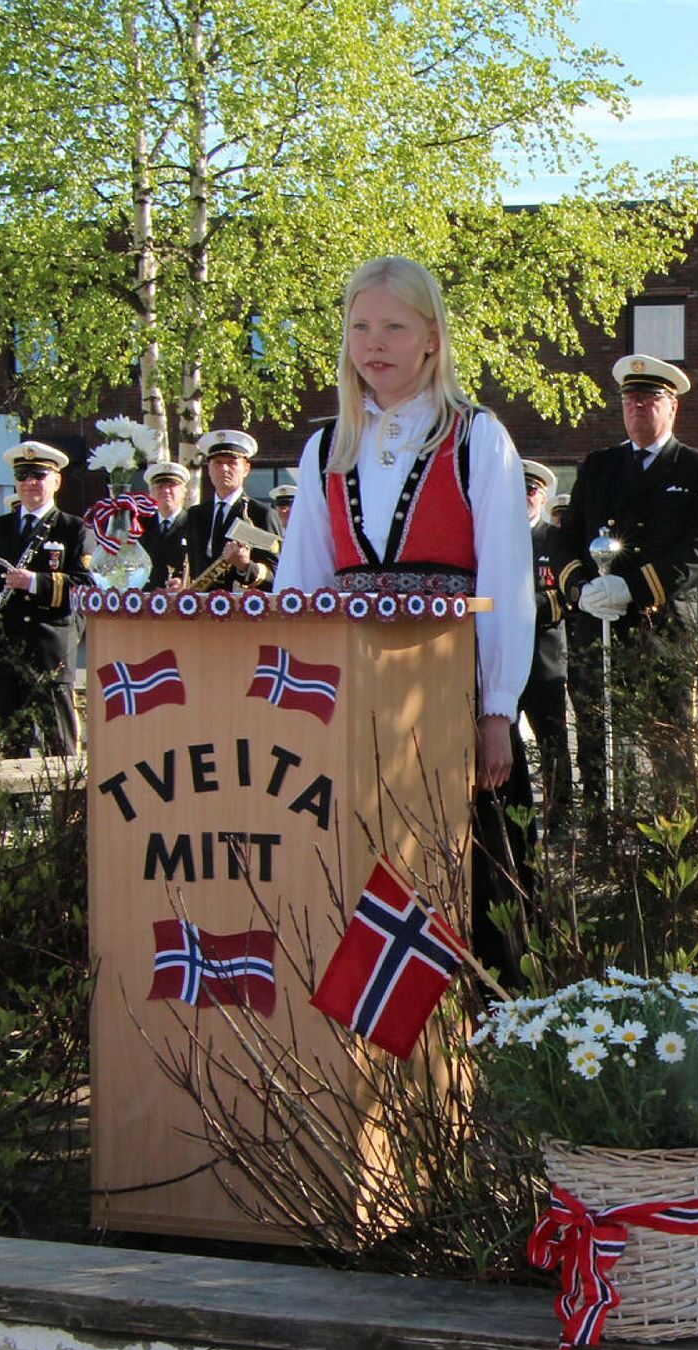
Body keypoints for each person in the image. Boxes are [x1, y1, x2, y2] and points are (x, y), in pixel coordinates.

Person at [274, 255, 536, 977]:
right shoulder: (326, 446)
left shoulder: (478, 437)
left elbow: (508, 581)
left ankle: (478, 1047)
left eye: (393, 325)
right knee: (356, 862)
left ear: (431, 337)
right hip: (351, 707)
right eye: (359, 326)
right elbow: (298, 586)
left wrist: (497, 709)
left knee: (469, 876)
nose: (374, 343)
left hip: (447, 704)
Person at [551, 354, 698, 812]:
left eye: (650, 399)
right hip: (598, 623)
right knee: (595, 732)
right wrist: (579, 589)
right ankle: (599, 832)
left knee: (668, 738)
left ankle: (674, 839)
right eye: (631, 399)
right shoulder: (599, 466)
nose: (638, 408)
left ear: (672, 408)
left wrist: (632, 588)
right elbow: (565, 539)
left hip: (660, 624)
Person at [0, 440, 87, 757]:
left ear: (56, 481)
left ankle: (67, 809)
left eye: (38, 475)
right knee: (12, 741)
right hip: (6, 647)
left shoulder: (73, 529)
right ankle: (15, 808)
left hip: (49, 648)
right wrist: (4, 596)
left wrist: (34, 582)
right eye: (23, 476)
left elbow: (84, 586)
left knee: (59, 743)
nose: (30, 484)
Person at [523, 459, 575, 824]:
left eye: (532, 491)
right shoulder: (494, 537)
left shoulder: (555, 539)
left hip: (544, 655)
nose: (525, 497)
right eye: (520, 490)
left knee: (551, 739)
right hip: (500, 655)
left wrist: (522, 607)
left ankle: (559, 814)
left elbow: (565, 596)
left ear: (543, 498)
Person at [189, 429, 278, 591]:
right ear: (208, 468)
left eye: (232, 462)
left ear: (246, 469)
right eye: (218, 462)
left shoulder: (260, 514)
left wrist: (245, 566)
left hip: (244, 610)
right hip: (200, 609)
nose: (224, 469)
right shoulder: (196, 515)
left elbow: (277, 576)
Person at [136, 459, 194, 589]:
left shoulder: (194, 523)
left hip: (181, 601)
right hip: (145, 599)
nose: (166, 491)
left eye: (172, 485)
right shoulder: (139, 525)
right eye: (160, 486)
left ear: (184, 491)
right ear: (151, 493)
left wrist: (185, 583)